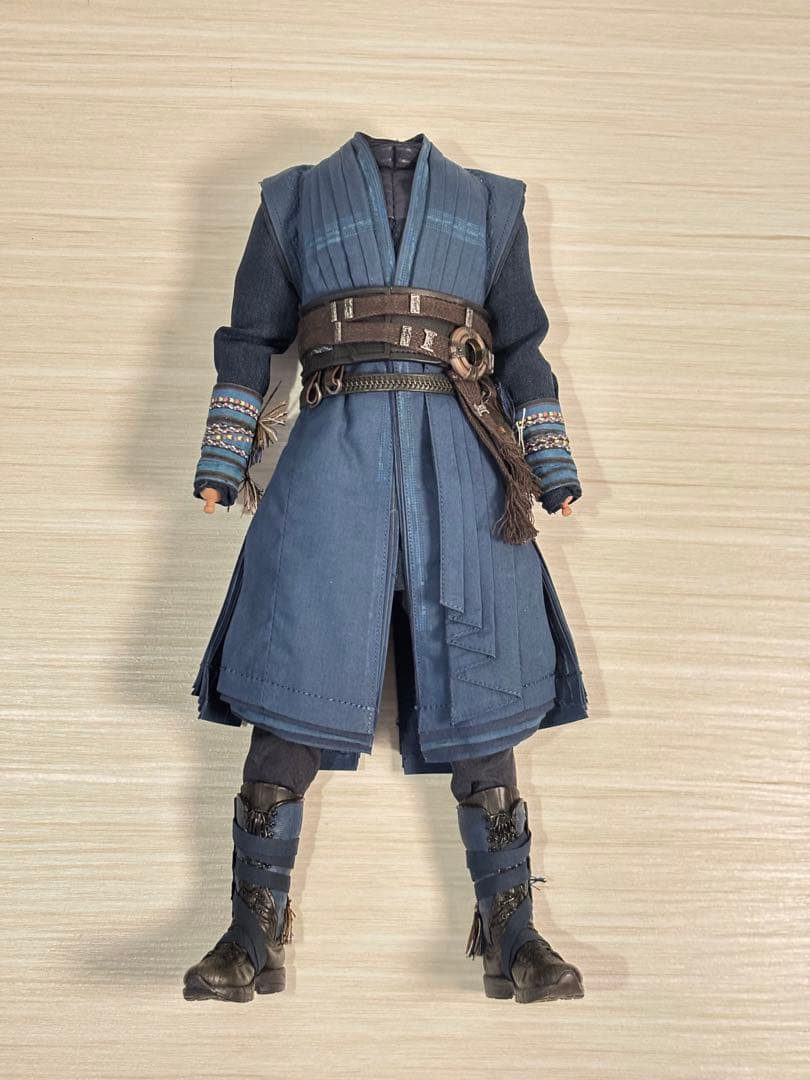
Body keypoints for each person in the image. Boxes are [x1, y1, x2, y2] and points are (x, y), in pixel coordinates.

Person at [182, 131, 588, 1005]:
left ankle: (512, 933)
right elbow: (249, 337)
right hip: (332, 459)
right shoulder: (291, 199)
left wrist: (551, 465)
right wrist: (223, 456)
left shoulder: (492, 204)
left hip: (465, 469)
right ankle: (251, 933)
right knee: (294, 669)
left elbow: (521, 346)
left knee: (481, 685)